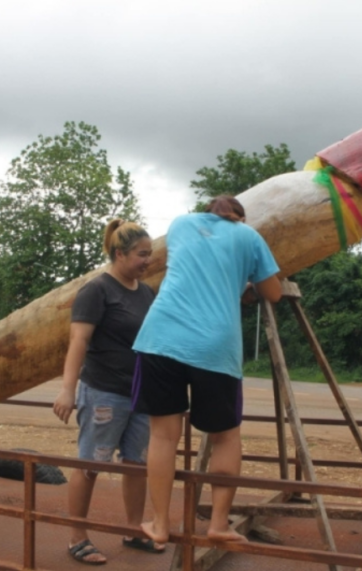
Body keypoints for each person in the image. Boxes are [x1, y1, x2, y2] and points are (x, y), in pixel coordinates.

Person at [132, 196, 282, 544]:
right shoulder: (249, 236)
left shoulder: (180, 224)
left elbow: (196, 263)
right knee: (225, 437)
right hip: (215, 346)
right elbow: (272, 292)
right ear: (239, 217)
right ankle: (218, 524)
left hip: (161, 338)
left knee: (162, 437)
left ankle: (160, 524)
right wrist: (247, 282)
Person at [53, 219, 164, 565]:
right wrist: (68, 390)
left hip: (140, 394)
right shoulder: (97, 290)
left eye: (149, 254)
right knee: (91, 464)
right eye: (141, 254)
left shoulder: (146, 292)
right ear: (119, 254)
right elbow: (78, 341)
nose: (148, 260)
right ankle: (77, 537)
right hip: (103, 392)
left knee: (137, 464)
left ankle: (133, 529)